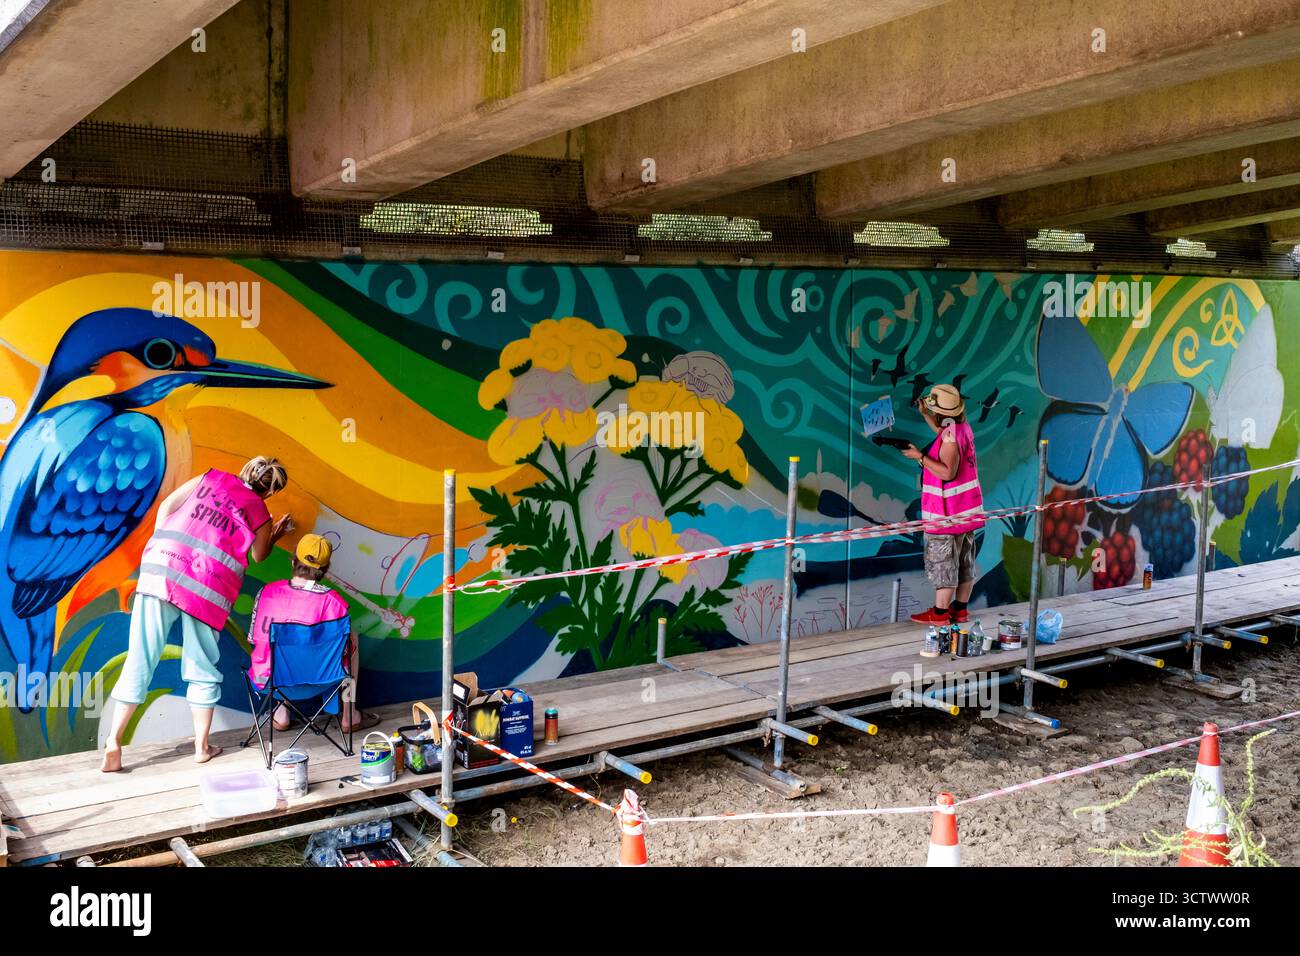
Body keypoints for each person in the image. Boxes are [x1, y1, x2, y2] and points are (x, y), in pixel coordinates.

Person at [101, 457, 292, 772]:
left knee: (139, 659)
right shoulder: (259, 511)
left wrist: (166, 544)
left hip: (162, 567)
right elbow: (258, 555)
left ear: (246, 469)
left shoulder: (210, 476)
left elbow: (167, 506)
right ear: (270, 492)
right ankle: (201, 747)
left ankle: (113, 742)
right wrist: (276, 533)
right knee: (201, 665)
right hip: (208, 588)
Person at [246, 533, 377, 733]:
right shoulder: (334, 602)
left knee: (278, 648)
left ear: (293, 561)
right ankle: (349, 714)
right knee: (352, 641)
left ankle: (281, 712)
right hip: (322, 681)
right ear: (324, 570)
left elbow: (255, 640)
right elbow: (341, 652)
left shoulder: (267, 593)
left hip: (272, 681)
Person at [899, 384, 985, 625]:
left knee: (945, 567)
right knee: (965, 563)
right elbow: (942, 432)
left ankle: (939, 615)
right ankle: (960, 610)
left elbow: (947, 472)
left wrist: (920, 457)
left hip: (946, 514)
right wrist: (925, 414)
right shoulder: (961, 429)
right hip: (965, 512)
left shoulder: (949, 437)